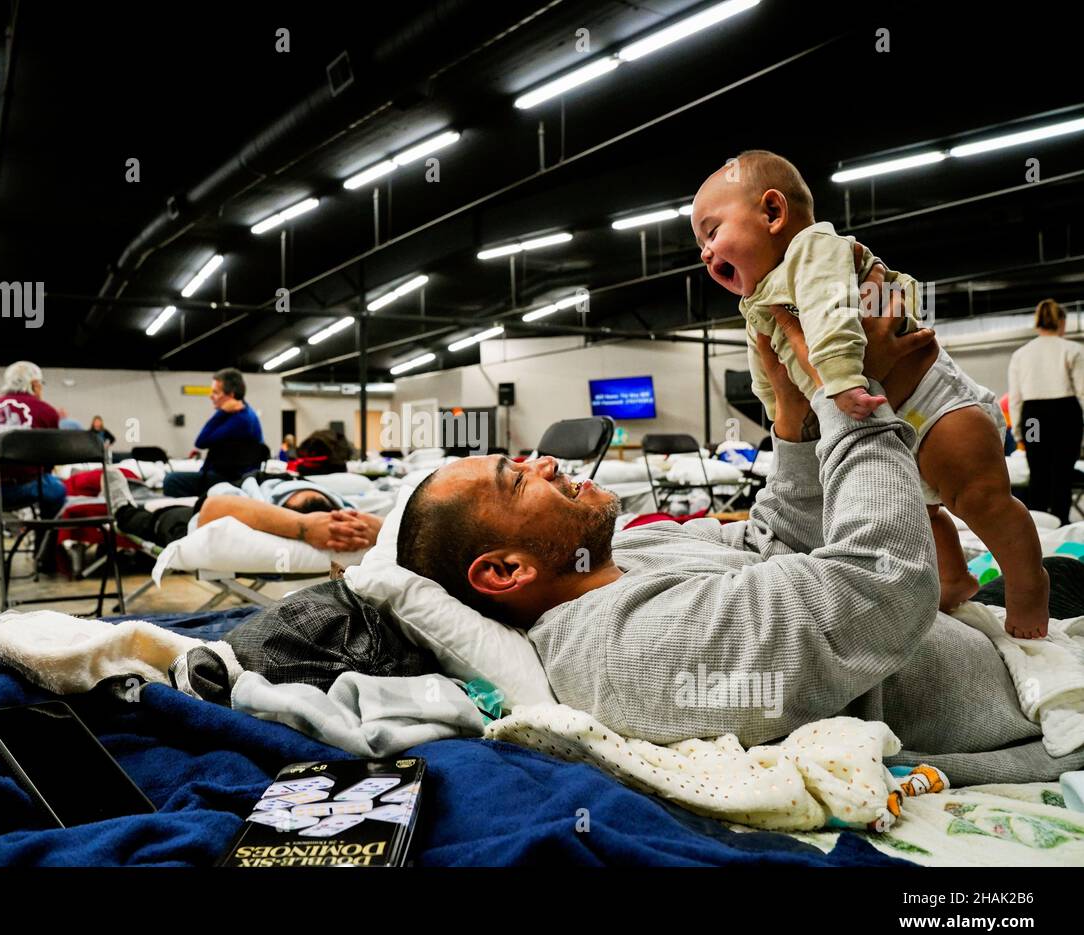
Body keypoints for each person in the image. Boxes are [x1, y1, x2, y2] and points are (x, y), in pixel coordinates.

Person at [396, 294, 1084, 785]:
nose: (543, 460)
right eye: (517, 480)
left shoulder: (628, 555)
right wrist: (851, 392)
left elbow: (781, 549)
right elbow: (880, 590)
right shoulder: (625, 650)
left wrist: (792, 414)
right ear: (506, 571)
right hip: (1023, 697)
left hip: (1005, 636)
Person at [692, 150, 1046, 638]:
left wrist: (838, 379)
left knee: (982, 500)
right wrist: (780, 416)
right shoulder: (759, 304)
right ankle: (953, 579)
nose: (706, 253)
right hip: (884, 426)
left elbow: (834, 316)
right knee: (914, 515)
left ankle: (1029, 586)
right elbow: (768, 375)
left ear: (773, 213)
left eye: (712, 232)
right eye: (700, 245)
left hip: (935, 405)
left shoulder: (812, 251)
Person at [104, 467, 379, 552]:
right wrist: (305, 526)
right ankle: (127, 505)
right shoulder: (263, 493)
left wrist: (307, 527)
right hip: (251, 482)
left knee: (161, 519)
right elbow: (214, 504)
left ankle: (123, 510)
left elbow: (213, 510)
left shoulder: (344, 513)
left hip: (195, 518)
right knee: (178, 504)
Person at [0, 361, 67, 573]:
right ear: (34, 385)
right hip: (24, 487)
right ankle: (43, 556)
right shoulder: (46, 411)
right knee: (57, 492)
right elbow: (51, 458)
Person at [1007, 299, 1084, 524]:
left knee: (1037, 472)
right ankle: (1060, 522)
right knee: (1063, 474)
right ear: (1062, 322)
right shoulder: (1073, 349)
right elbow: (1082, 392)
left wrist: (1019, 433)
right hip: (1065, 415)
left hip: (1034, 416)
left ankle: (1037, 526)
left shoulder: (1021, 354)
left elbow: (1016, 398)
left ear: (1037, 322)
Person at [162, 368, 264, 498]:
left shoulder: (240, 419)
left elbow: (201, 442)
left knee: (172, 480)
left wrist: (221, 412)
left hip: (231, 479)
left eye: (216, 392)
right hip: (230, 475)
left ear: (231, 395)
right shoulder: (247, 414)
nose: (211, 396)